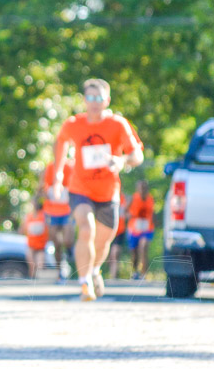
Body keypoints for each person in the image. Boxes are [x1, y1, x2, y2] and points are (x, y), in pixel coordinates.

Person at [53, 79, 144, 301]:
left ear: (107, 100)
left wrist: (121, 161)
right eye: (90, 98)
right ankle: (84, 283)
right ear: (84, 100)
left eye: (99, 98)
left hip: (108, 192)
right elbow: (61, 143)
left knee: (103, 240)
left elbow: (137, 155)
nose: (94, 103)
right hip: (80, 188)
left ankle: (94, 271)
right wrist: (57, 174)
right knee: (86, 228)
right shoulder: (73, 124)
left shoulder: (118, 124)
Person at [40, 153, 74, 279]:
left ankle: (70, 249)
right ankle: (60, 271)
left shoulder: (70, 167)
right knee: (56, 242)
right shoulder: (49, 168)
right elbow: (43, 187)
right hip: (52, 209)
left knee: (67, 240)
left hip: (67, 209)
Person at [127, 180, 155, 280]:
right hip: (134, 229)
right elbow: (125, 212)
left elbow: (153, 213)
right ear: (137, 189)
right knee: (134, 253)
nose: (142, 190)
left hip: (147, 228)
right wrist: (131, 216)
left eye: (144, 188)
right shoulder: (133, 198)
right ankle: (135, 272)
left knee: (143, 248)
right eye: (140, 188)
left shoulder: (151, 199)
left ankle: (144, 274)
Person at [19, 198, 48, 279]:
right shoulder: (28, 216)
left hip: (41, 245)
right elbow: (22, 229)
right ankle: (32, 279)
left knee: (39, 264)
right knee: (31, 264)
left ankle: (39, 279)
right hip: (31, 244)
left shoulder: (44, 215)